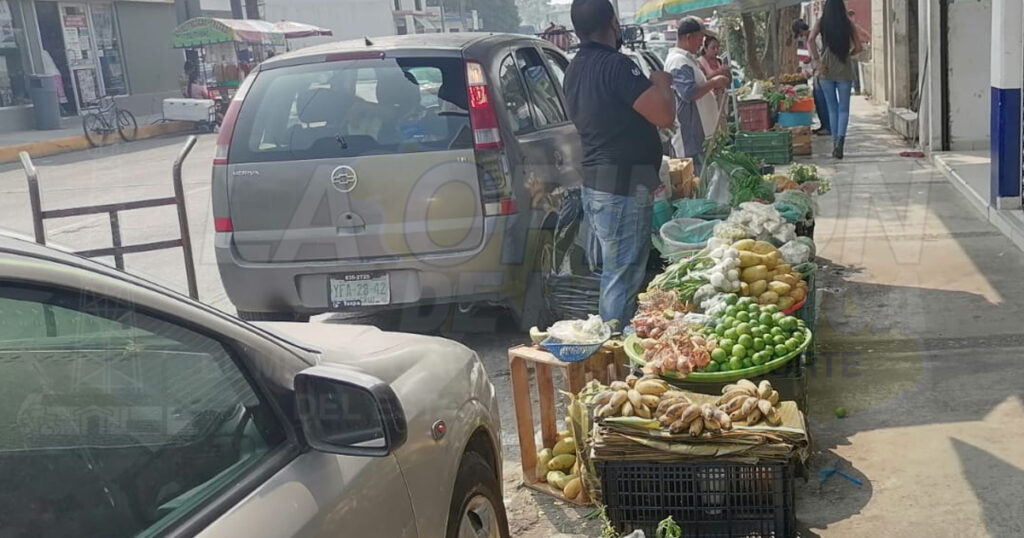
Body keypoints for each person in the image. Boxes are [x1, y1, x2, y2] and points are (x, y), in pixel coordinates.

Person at [562, 0, 676, 326]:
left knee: (617, 272)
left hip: (601, 186)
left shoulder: (575, 68)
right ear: (612, 22)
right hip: (621, 190)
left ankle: (613, 344)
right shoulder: (616, 65)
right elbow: (664, 114)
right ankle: (612, 351)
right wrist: (661, 83)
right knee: (621, 277)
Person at [663, 16, 730, 174]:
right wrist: (714, 83)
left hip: (699, 134)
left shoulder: (687, 60)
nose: (702, 42)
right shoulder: (678, 61)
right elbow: (689, 92)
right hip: (691, 136)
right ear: (689, 37)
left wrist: (713, 79)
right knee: (697, 179)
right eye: (700, 38)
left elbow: (696, 85)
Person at [809, 0, 862, 159]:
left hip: (826, 68)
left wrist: (817, 61)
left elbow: (810, 39)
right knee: (844, 108)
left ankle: (834, 143)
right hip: (844, 68)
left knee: (832, 107)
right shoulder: (848, 23)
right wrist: (849, 54)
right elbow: (859, 47)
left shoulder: (822, 22)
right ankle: (840, 143)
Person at [793, 19, 830, 136]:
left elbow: (822, 53)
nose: (801, 37)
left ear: (801, 31)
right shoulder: (809, 41)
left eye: (799, 34)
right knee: (818, 100)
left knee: (822, 100)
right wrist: (808, 60)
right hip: (815, 71)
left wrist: (817, 65)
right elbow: (813, 56)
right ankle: (824, 125)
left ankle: (828, 127)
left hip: (821, 72)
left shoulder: (815, 38)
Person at [847, 9, 870, 95]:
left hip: (853, 52)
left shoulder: (853, 26)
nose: (852, 19)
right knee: (852, 71)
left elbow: (863, 33)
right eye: (851, 17)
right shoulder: (850, 26)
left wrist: (868, 39)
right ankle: (855, 89)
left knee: (854, 71)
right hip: (850, 51)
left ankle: (856, 89)